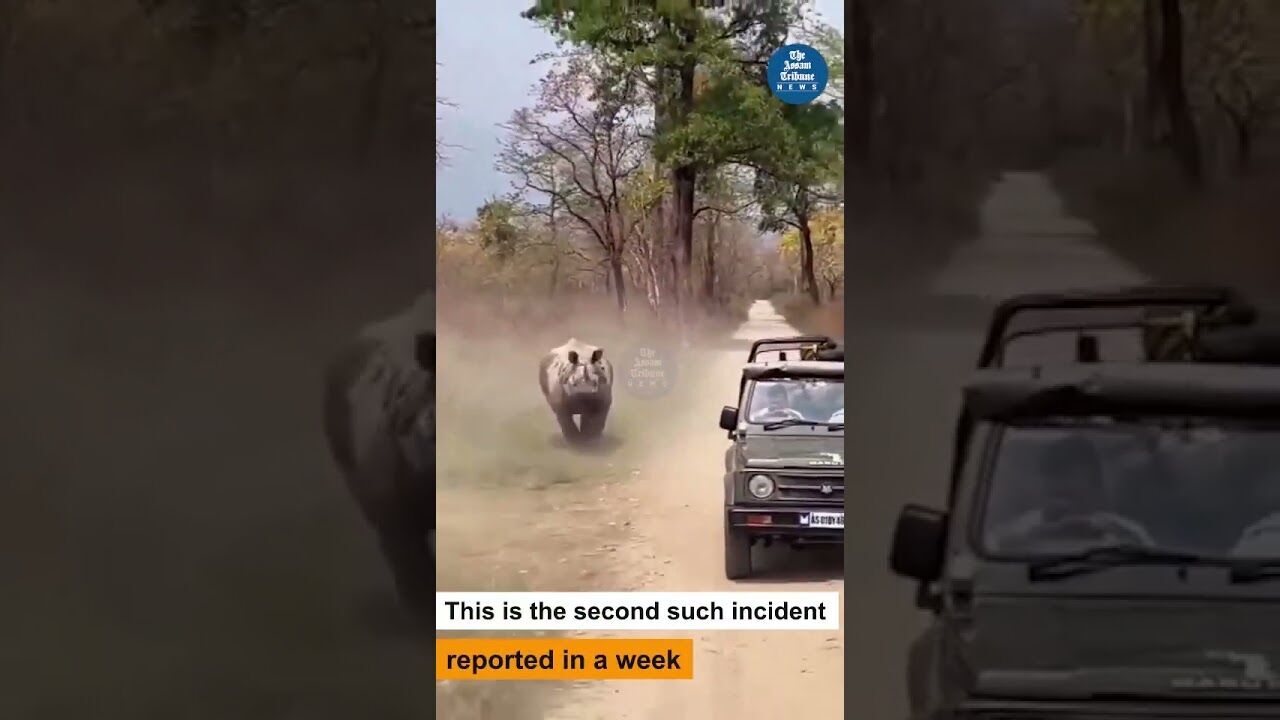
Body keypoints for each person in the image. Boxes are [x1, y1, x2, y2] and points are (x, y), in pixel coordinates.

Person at [988, 435, 1154, 553]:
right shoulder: (1017, 530)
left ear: (1094, 484)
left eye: (1071, 477)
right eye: (1054, 476)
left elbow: (1150, 571)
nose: (1061, 486)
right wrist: (1038, 537)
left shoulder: (1125, 532)